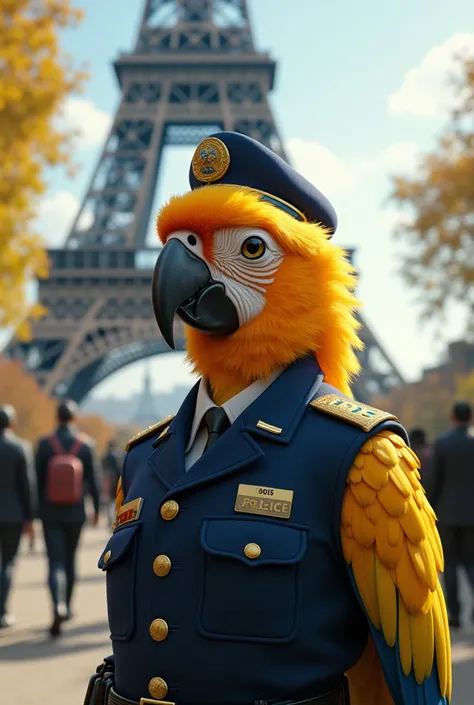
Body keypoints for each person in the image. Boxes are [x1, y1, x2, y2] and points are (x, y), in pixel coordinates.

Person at [85, 132, 451, 705]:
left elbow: (407, 687)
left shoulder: (362, 460)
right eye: (182, 243)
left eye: (250, 250)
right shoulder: (143, 459)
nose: (187, 261)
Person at [35, 399, 101, 637]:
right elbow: (93, 481)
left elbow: (37, 482)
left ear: (57, 417)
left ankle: (57, 605)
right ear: (74, 418)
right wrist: (96, 510)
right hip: (75, 512)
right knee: (71, 559)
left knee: (55, 561)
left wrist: (35, 511)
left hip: (50, 511)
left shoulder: (44, 444)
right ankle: (68, 607)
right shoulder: (85, 445)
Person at [430, 401, 474, 629]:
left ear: (453, 417)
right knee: (471, 562)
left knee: (452, 565)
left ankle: (455, 614)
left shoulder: (443, 444)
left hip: (447, 513)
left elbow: (435, 480)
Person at [0, 404, 36, 628]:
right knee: (8, 563)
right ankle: (2, 612)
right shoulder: (20, 448)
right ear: (12, 423)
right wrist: (30, 518)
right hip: (13, 514)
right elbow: (28, 486)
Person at [102, 439, 122, 526]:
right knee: (116, 501)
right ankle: (115, 519)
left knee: (109, 501)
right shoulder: (118, 456)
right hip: (116, 480)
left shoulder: (105, 456)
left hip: (107, 479)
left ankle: (109, 520)